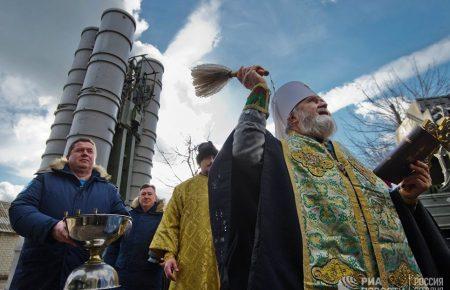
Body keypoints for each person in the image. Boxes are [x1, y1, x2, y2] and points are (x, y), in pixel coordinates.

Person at [208, 66, 450, 289]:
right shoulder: (279, 155)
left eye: (320, 98)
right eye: (311, 101)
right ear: (292, 118)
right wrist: (260, 91)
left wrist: (406, 198)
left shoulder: (349, 159)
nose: (321, 101)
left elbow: (376, 211)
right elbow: (243, 151)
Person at [9, 138, 128, 290]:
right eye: (79, 150)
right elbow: (19, 209)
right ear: (68, 156)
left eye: (90, 151)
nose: (85, 153)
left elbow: (124, 221)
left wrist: (105, 236)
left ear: (94, 158)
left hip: (86, 278)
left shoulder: (109, 190)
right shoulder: (45, 180)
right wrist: (52, 227)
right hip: (37, 276)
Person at [150, 141, 220, 290]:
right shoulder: (183, 190)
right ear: (200, 162)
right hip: (187, 264)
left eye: (214, 157)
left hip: (221, 262)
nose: (211, 160)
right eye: (207, 157)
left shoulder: (228, 188)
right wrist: (169, 257)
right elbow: (170, 224)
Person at [104, 184, 165, 290]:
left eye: (150, 194)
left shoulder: (164, 219)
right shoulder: (127, 216)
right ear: (139, 197)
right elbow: (114, 244)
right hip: (124, 273)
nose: (146, 196)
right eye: (143, 194)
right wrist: (108, 267)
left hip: (150, 275)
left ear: (155, 198)